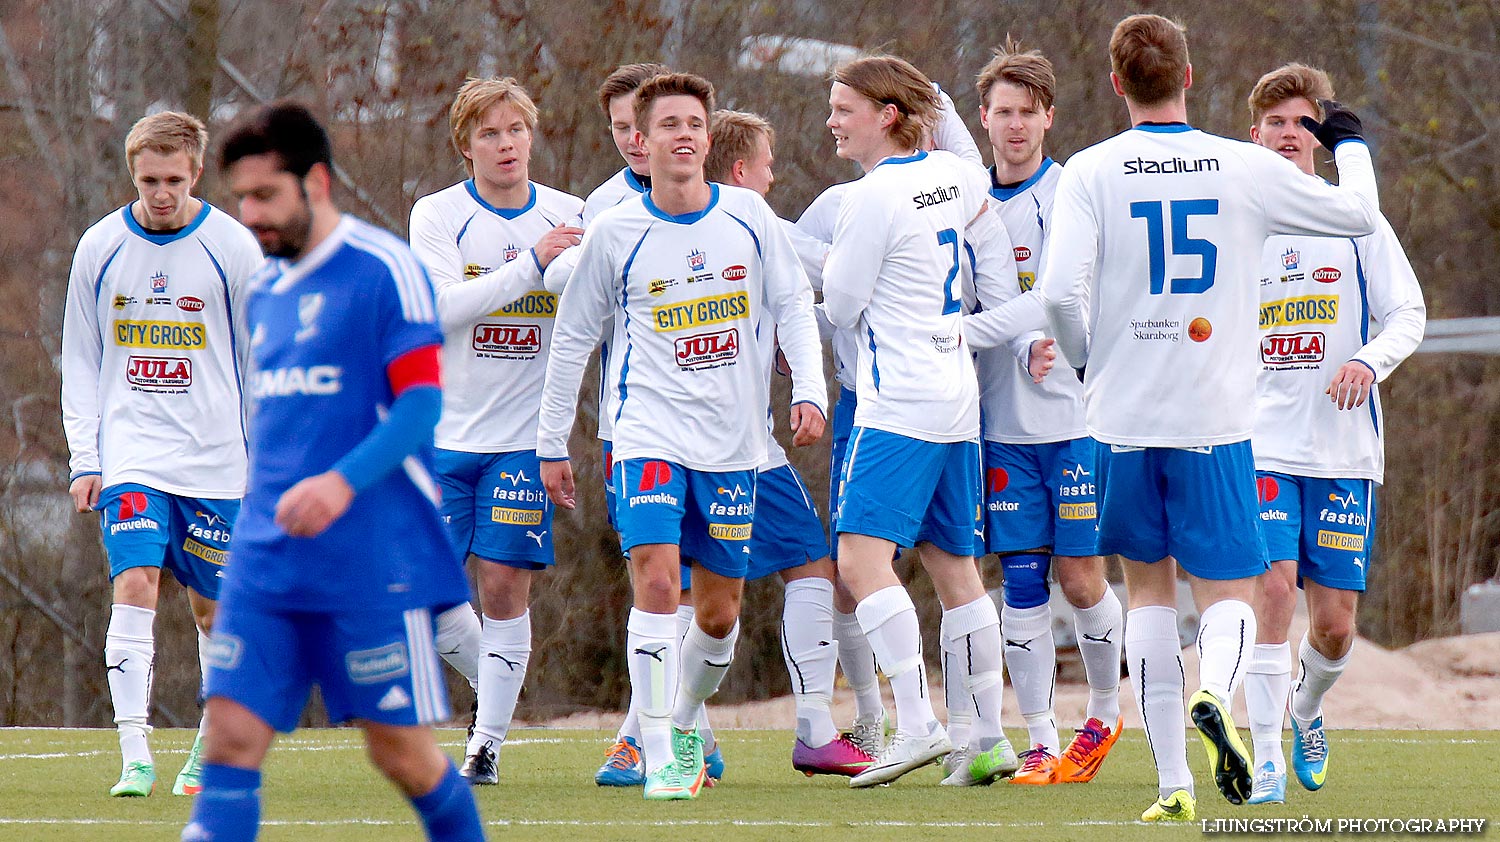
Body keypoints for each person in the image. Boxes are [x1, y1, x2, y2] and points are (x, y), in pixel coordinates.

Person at [1021, 13, 1381, 822]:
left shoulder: (1090, 169)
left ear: (1117, 85)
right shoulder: (1241, 164)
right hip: (1214, 418)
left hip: (1120, 416)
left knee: (1146, 593)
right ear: (1190, 78)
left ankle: (1175, 787)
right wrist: (1349, 146)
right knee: (1229, 595)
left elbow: (1053, 296)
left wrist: (1086, 363)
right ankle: (1214, 688)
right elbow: (1358, 218)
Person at [182, 102, 484, 842]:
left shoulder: (384, 270)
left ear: (314, 181)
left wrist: (340, 483)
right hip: (264, 557)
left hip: (367, 562)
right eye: (241, 198)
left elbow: (420, 408)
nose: (249, 214)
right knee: (228, 740)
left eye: (264, 195)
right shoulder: (264, 291)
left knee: (404, 757)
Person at [537, 73, 827, 800]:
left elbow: (793, 302)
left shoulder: (749, 217)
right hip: (647, 437)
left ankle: (686, 718)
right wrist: (549, 443)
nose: (684, 135)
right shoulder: (616, 232)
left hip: (733, 446)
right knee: (659, 583)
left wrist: (811, 390)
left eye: (694, 122)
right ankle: (660, 749)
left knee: (721, 615)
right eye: (669, 124)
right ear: (643, 138)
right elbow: (573, 339)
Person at [820, 54, 1014, 789]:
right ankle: (990, 737)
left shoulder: (869, 198)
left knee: (860, 563)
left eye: (845, 109)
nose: (833, 121)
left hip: (898, 401)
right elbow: (967, 159)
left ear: (887, 116)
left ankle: (919, 723)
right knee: (953, 568)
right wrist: (934, 92)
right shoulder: (956, 174)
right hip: (956, 395)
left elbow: (840, 305)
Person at [61, 111, 262, 798]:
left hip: (215, 460)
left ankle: (208, 746)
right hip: (133, 454)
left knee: (214, 614)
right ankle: (134, 754)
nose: (161, 193)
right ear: (132, 174)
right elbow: (81, 358)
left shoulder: (233, 248)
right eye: (149, 180)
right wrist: (85, 458)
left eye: (174, 179)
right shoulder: (100, 247)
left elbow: (259, 362)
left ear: (197, 172)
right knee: (135, 583)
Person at [1240, 63, 1425, 805]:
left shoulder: (1356, 221)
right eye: (1276, 122)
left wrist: (1366, 360)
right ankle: (1264, 760)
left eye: (1302, 122)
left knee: (1337, 627)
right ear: (1253, 135)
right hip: (1262, 442)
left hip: (1344, 449)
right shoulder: (1238, 220)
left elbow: (1407, 315)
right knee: (1274, 591)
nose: (1289, 134)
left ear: (1321, 137)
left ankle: (1306, 710)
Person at [408, 76, 584, 785]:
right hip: (442, 434)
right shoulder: (438, 214)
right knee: (423, 593)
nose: (506, 144)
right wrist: (532, 265)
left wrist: (565, 269)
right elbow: (442, 309)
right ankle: (494, 685)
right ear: (466, 145)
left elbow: (590, 310)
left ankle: (486, 745)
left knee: (505, 587)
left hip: (523, 438)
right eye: (489, 133)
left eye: (516, 130)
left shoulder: (572, 213)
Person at [970, 41, 1124, 787]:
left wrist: (1060, 341)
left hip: (1075, 420)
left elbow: (1094, 288)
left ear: (1049, 118)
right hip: (1000, 424)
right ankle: (1038, 738)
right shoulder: (963, 200)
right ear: (983, 118)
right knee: (1021, 578)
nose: (1015, 125)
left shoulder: (1073, 194)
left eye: (1027, 112)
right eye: (1003, 112)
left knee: (1083, 575)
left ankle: (1102, 711)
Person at [704, 109, 875, 778]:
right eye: (770, 165)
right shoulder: (758, 224)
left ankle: (812, 727)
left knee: (809, 564)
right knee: (701, 604)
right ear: (743, 172)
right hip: (707, 451)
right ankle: (666, 731)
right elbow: (837, 271)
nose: (777, 177)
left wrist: (800, 371)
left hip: (751, 449)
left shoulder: (750, 227)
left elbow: (804, 302)